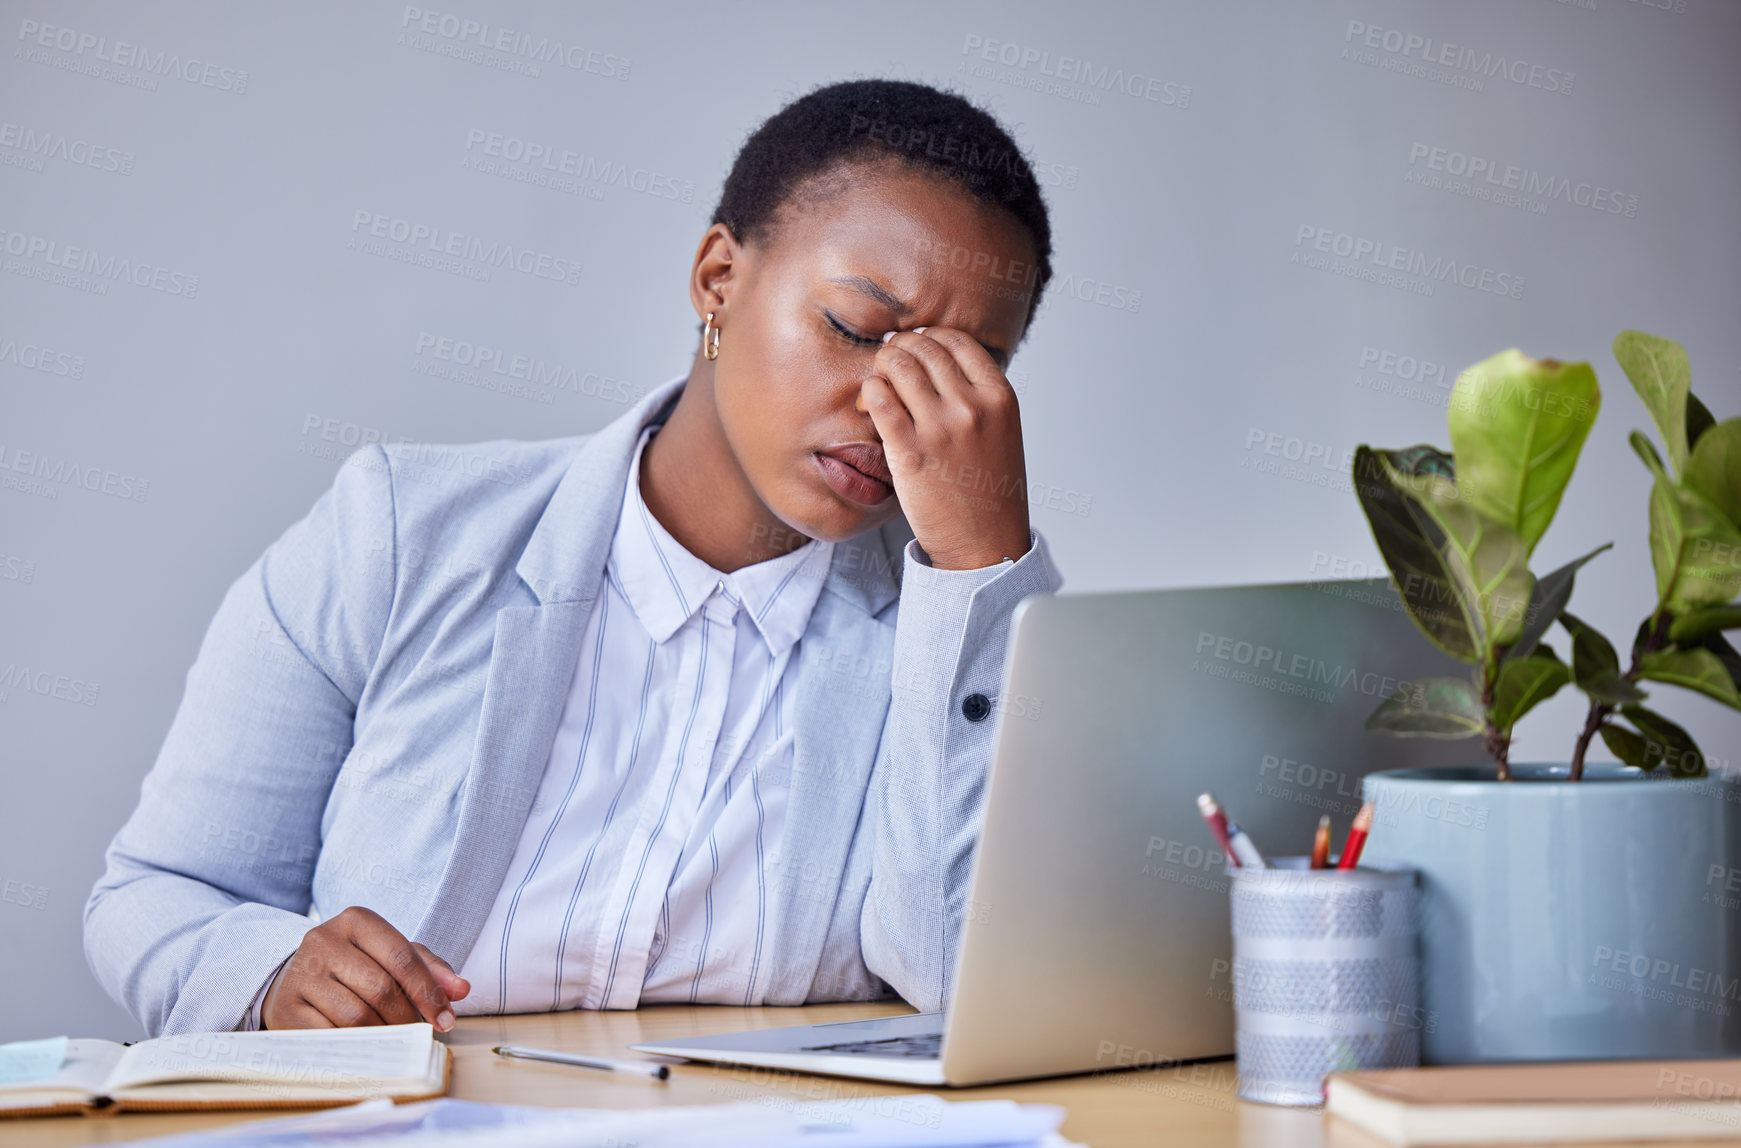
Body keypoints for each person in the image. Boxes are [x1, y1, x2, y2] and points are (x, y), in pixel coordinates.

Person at [84, 78, 1064, 1036]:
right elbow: (160, 894)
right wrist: (272, 972)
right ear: (718, 279)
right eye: (854, 328)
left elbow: (959, 989)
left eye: (966, 373)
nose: (894, 404)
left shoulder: (951, 630)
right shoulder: (399, 535)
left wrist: (979, 567)